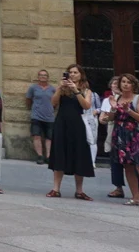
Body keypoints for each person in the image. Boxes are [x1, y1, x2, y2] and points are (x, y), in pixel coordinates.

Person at [105, 72, 139, 210]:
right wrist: (113, 108)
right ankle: (135, 197)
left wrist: (128, 110)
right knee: (127, 167)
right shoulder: (117, 98)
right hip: (120, 135)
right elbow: (110, 119)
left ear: (133, 85)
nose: (126, 84)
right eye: (123, 82)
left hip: (135, 135)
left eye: (129, 82)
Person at [46, 64, 95, 200]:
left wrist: (76, 91)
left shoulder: (86, 90)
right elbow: (53, 103)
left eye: (75, 72)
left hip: (77, 124)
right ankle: (56, 189)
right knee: (59, 153)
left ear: (81, 75)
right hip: (62, 123)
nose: (72, 75)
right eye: (70, 72)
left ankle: (79, 190)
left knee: (79, 154)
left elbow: (86, 106)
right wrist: (59, 88)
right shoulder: (62, 88)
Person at [99, 75, 129, 198]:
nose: (115, 86)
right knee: (115, 160)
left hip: (128, 131)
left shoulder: (129, 98)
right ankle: (118, 187)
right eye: (114, 83)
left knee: (131, 161)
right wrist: (104, 118)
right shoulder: (108, 100)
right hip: (113, 132)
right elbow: (103, 118)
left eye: (118, 83)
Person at [26, 69, 56, 165]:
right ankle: (40, 156)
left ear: (48, 77)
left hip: (49, 117)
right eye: (41, 75)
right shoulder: (33, 88)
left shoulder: (53, 89)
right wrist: (33, 108)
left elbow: (56, 101)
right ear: (38, 77)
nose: (43, 77)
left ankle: (48, 156)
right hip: (36, 116)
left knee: (49, 137)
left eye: (45, 75)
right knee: (36, 136)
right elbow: (28, 99)